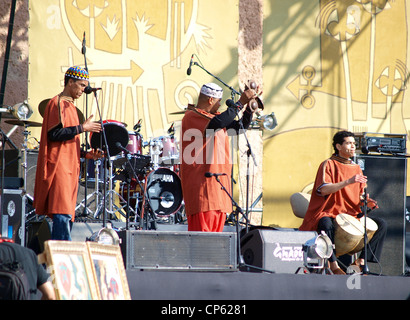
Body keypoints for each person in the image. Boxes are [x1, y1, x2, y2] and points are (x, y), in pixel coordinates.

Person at [299, 130, 387, 275]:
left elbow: (359, 196)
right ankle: (333, 265)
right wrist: (348, 181)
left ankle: (360, 262)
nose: (353, 146)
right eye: (349, 143)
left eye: (354, 143)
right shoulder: (328, 164)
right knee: (325, 223)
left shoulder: (357, 168)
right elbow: (324, 189)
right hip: (329, 211)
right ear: (338, 146)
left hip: (350, 214)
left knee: (382, 224)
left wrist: (366, 201)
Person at [34, 66, 102, 241]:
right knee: (62, 215)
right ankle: (62, 259)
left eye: (85, 86)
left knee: (66, 216)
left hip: (70, 169)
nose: (82, 90)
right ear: (70, 82)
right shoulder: (57, 103)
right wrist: (82, 128)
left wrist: (87, 154)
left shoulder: (70, 107)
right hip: (59, 169)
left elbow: (68, 144)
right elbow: (54, 134)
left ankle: (55, 259)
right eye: (80, 85)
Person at [180, 82, 258, 232]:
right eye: (218, 101)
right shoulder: (192, 116)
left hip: (219, 191)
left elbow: (237, 128)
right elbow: (217, 123)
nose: (220, 105)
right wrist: (240, 102)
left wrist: (249, 109)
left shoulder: (213, 118)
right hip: (203, 192)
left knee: (215, 245)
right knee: (203, 244)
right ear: (210, 100)